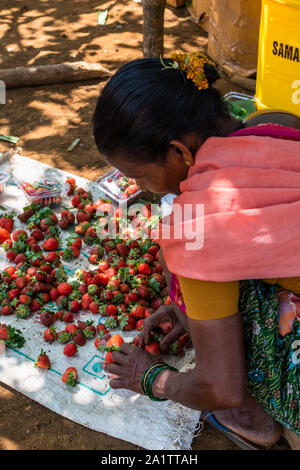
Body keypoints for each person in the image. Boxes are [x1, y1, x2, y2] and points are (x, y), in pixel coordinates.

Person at [93, 52, 300, 450]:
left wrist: (152, 377)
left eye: (139, 175)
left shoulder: (197, 227)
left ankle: (250, 421)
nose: (142, 188)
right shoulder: (275, 123)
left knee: (176, 254)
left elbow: (219, 387)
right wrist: (190, 305)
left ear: (180, 153)